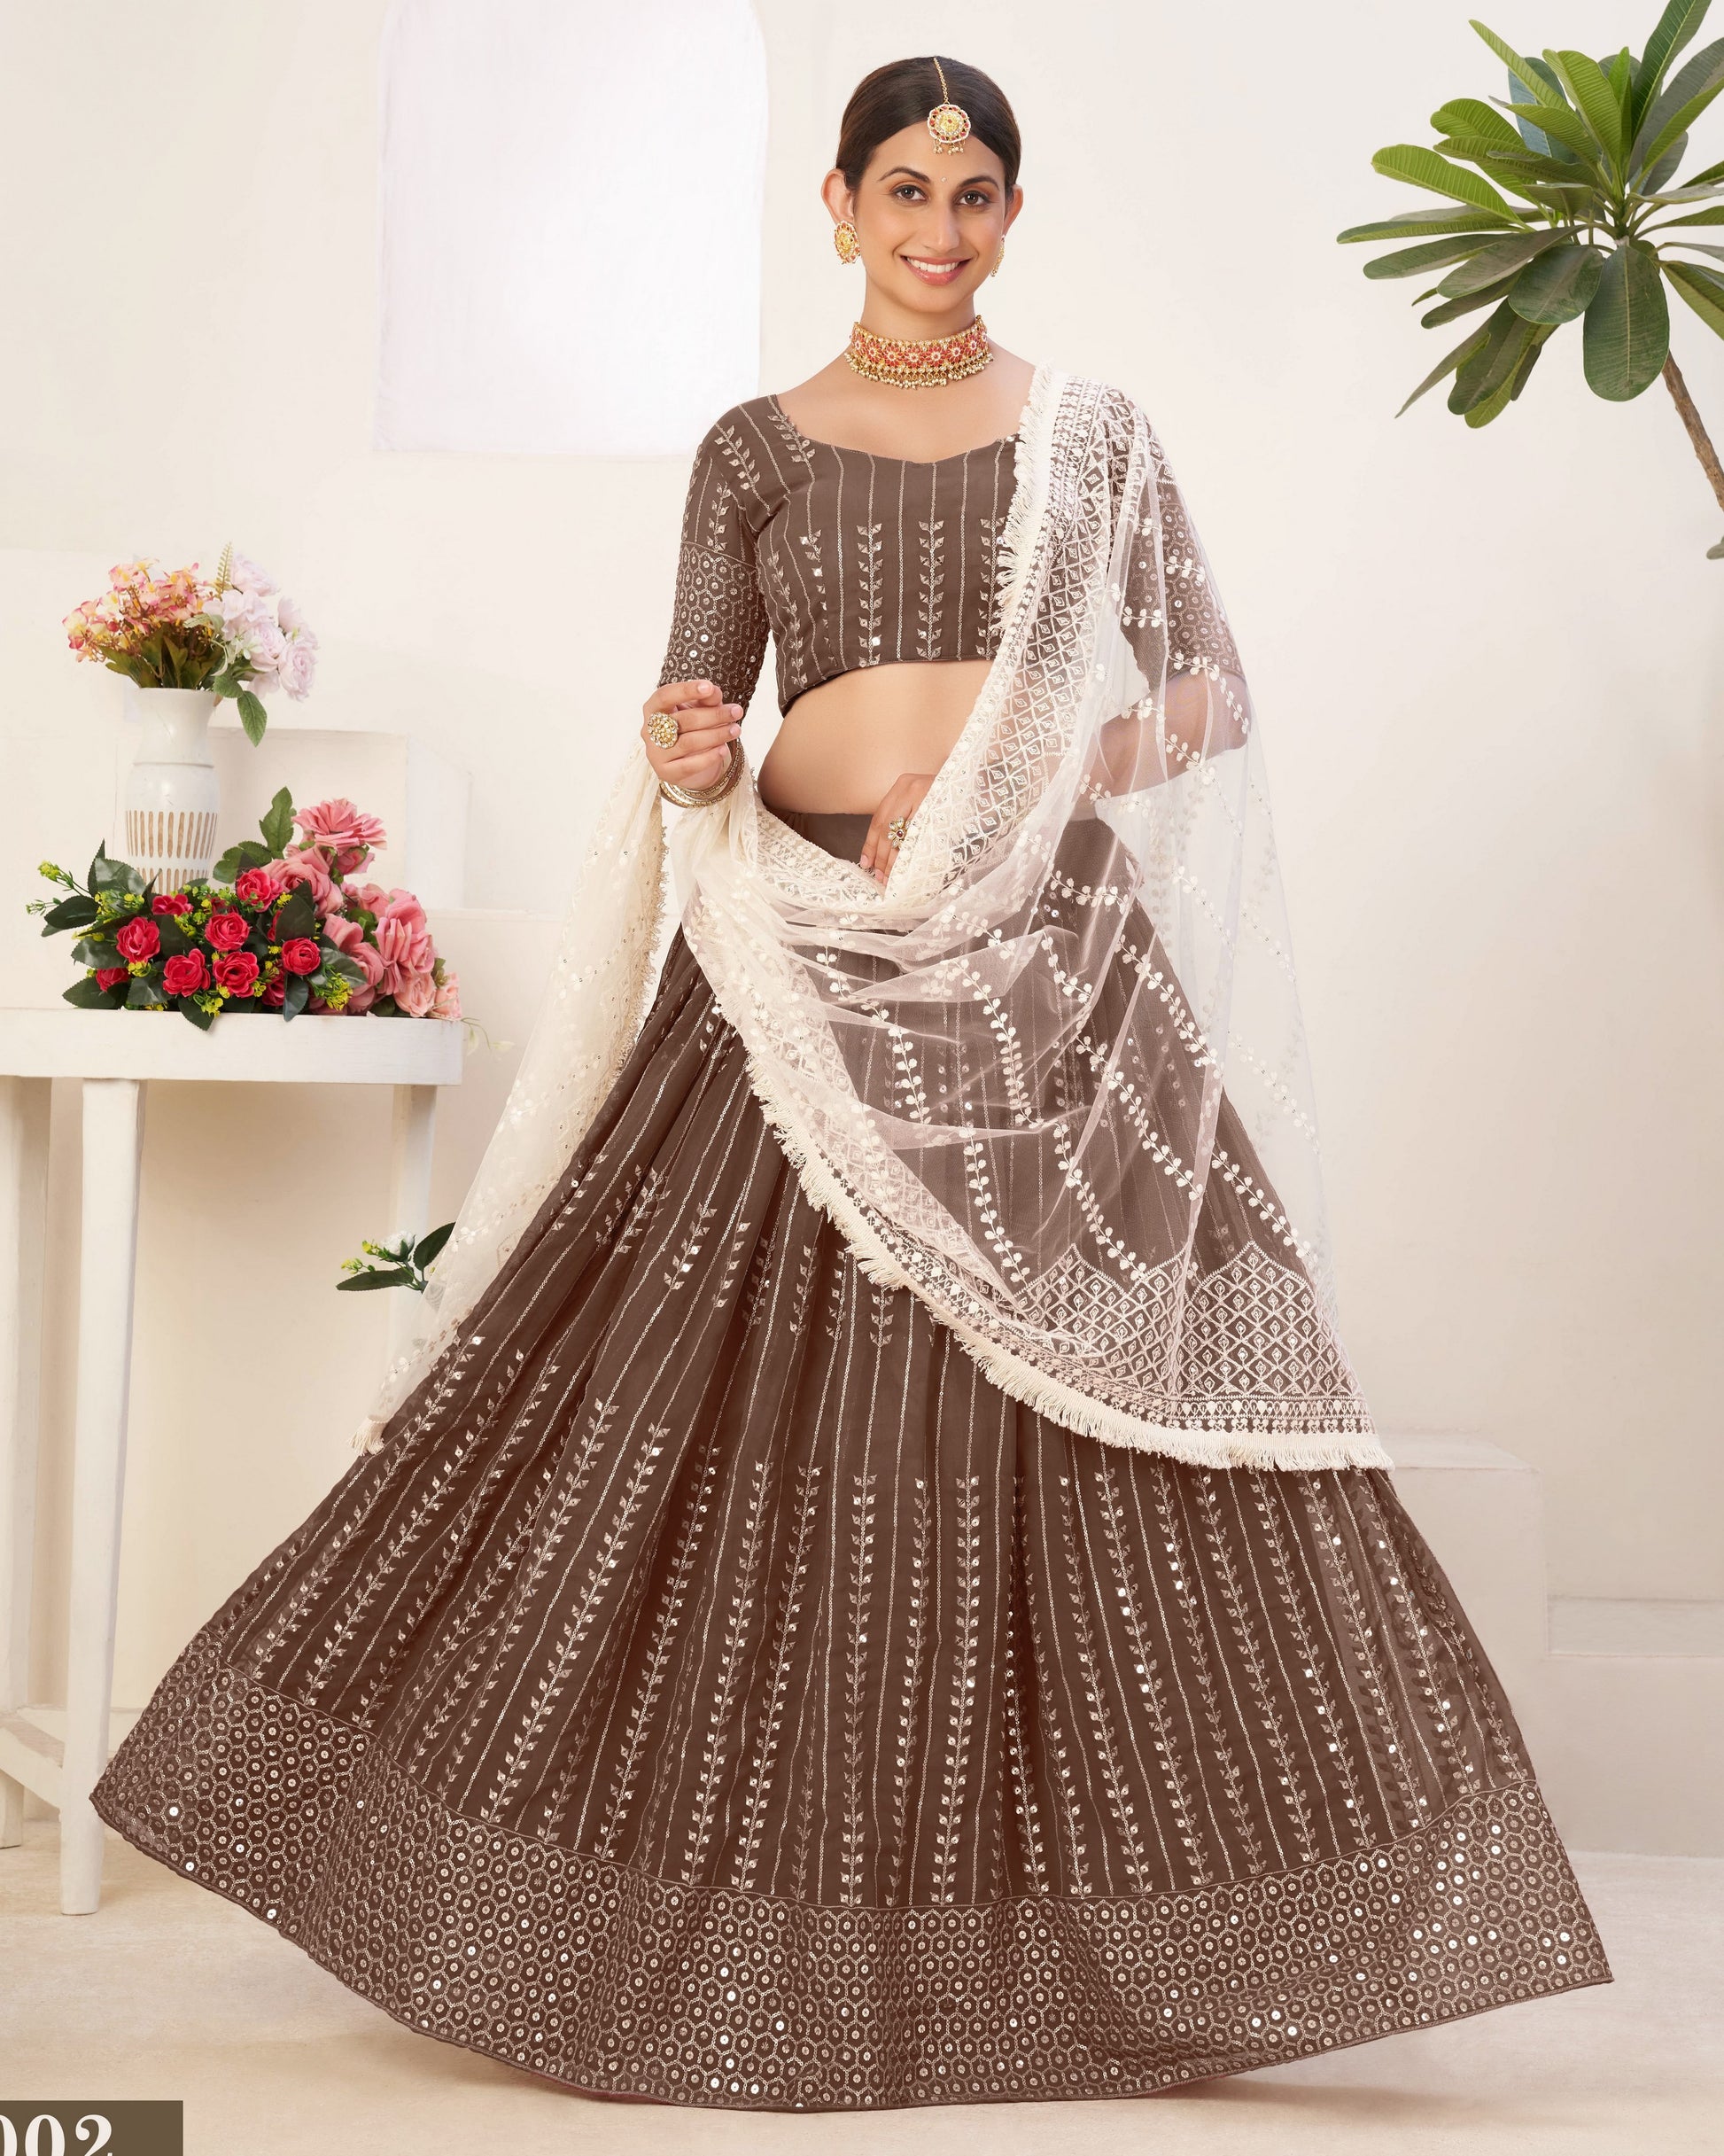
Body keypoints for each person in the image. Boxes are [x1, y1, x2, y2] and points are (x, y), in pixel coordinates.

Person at [92, 54, 1611, 2113]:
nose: (939, 229)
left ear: (1012, 213)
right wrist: (691, 749)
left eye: (974, 195)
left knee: (1120, 1413)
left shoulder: (1089, 438)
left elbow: (1203, 691)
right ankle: (629, 1896)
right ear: (835, 204)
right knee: (662, 1401)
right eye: (903, 189)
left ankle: (1116, 1934)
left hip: (1038, 950)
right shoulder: (752, 447)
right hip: (796, 954)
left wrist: (1015, 796)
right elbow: (702, 705)